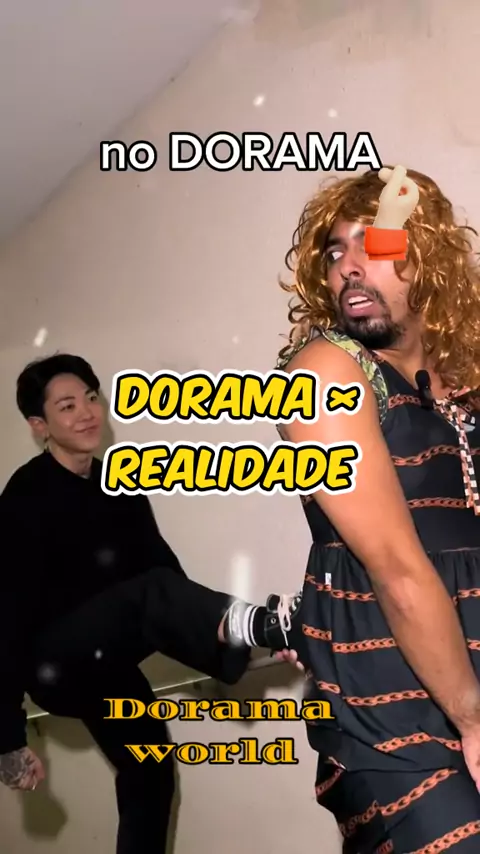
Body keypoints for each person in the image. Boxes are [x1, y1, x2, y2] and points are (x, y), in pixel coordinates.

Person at [0, 354, 301, 853]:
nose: (87, 413)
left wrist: (228, 646)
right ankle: (259, 625)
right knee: (151, 592)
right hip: (53, 661)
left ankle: (260, 633)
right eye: (67, 406)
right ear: (40, 425)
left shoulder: (119, 486)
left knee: (151, 771)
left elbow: (169, 582)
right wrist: (8, 737)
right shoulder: (24, 497)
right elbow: (5, 617)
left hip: (108, 662)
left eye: (91, 398)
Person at [272, 165, 480, 852]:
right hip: (386, 691)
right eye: (336, 252)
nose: (350, 267)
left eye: (376, 245)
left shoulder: (463, 381)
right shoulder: (326, 370)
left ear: (430, 261)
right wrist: (473, 719)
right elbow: (396, 567)